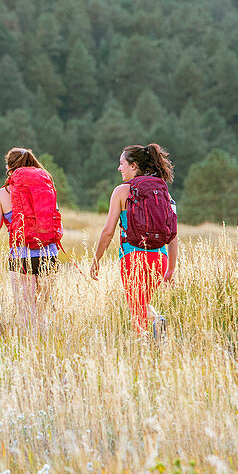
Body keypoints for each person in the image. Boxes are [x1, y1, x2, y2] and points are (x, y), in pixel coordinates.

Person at [90, 144, 178, 338]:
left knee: (137, 310)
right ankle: (156, 328)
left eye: (122, 164)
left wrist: (96, 260)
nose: (119, 168)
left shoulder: (121, 192)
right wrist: (170, 269)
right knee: (142, 303)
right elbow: (173, 234)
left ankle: (144, 344)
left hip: (133, 258)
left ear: (133, 165)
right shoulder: (163, 192)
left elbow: (107, 232)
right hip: (159, 259)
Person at [0, 147, 71, 329]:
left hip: (20, 255)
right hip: (48, 254)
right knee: (41, 310)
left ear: (9, 167)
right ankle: (43, 349)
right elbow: (59, 229)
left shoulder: (1, 195)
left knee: (26, 310)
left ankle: (28, 349)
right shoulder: (46, 190)